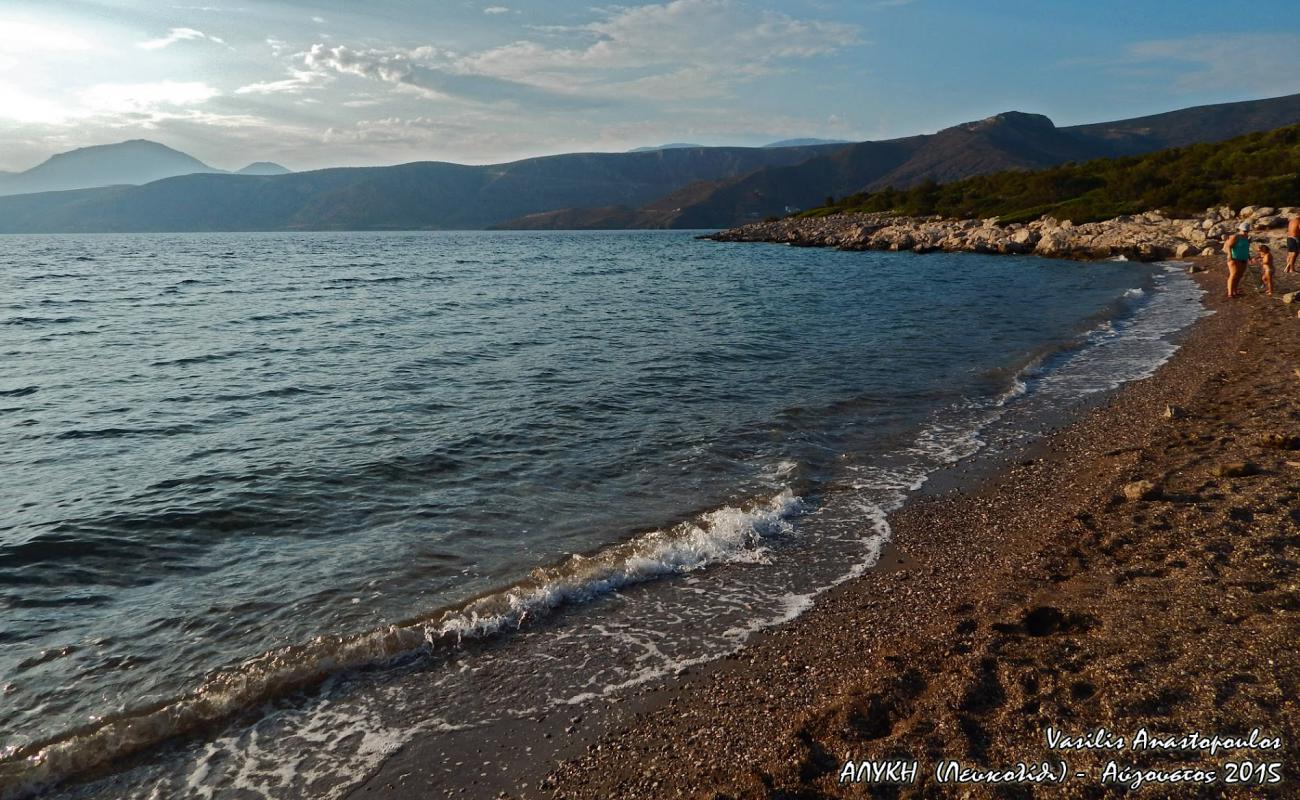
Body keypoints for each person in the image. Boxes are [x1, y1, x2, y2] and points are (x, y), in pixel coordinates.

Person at [1222, 222, 1251, 298]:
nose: (1246, 232)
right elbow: (1229, 246)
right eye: (1244, 231)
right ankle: (1230, 293)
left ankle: (1235, 291)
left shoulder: (1246, 238)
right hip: (1234, 259)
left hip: (1243, 259)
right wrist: (1230, 256)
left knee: (1239, 275)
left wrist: (1249, 257)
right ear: (1240, 230)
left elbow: (1246, 249)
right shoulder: (1236, 237)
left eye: (1247, 231)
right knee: (1233, 275)